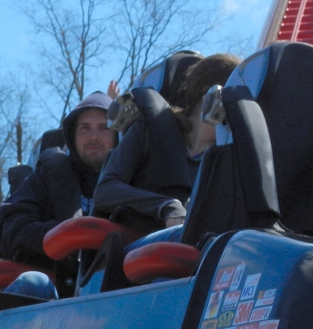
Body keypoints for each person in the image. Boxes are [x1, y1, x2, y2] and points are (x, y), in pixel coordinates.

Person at [93, 53, 240, 232]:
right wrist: (165, 206)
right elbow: (105, 190)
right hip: (135, 246)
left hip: (195, 250)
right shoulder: (150, 127)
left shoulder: (227, 162)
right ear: (210, 95)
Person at [0, 91, 117, 294]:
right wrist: (61, 236)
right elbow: (11, 226)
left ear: (117, 135)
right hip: (56, 294)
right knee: (32, 284)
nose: (93, 137)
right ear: (72, 135)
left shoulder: (133, 178)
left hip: (115, 292)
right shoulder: (50, 175)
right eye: (84, 128)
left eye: (104, 128)